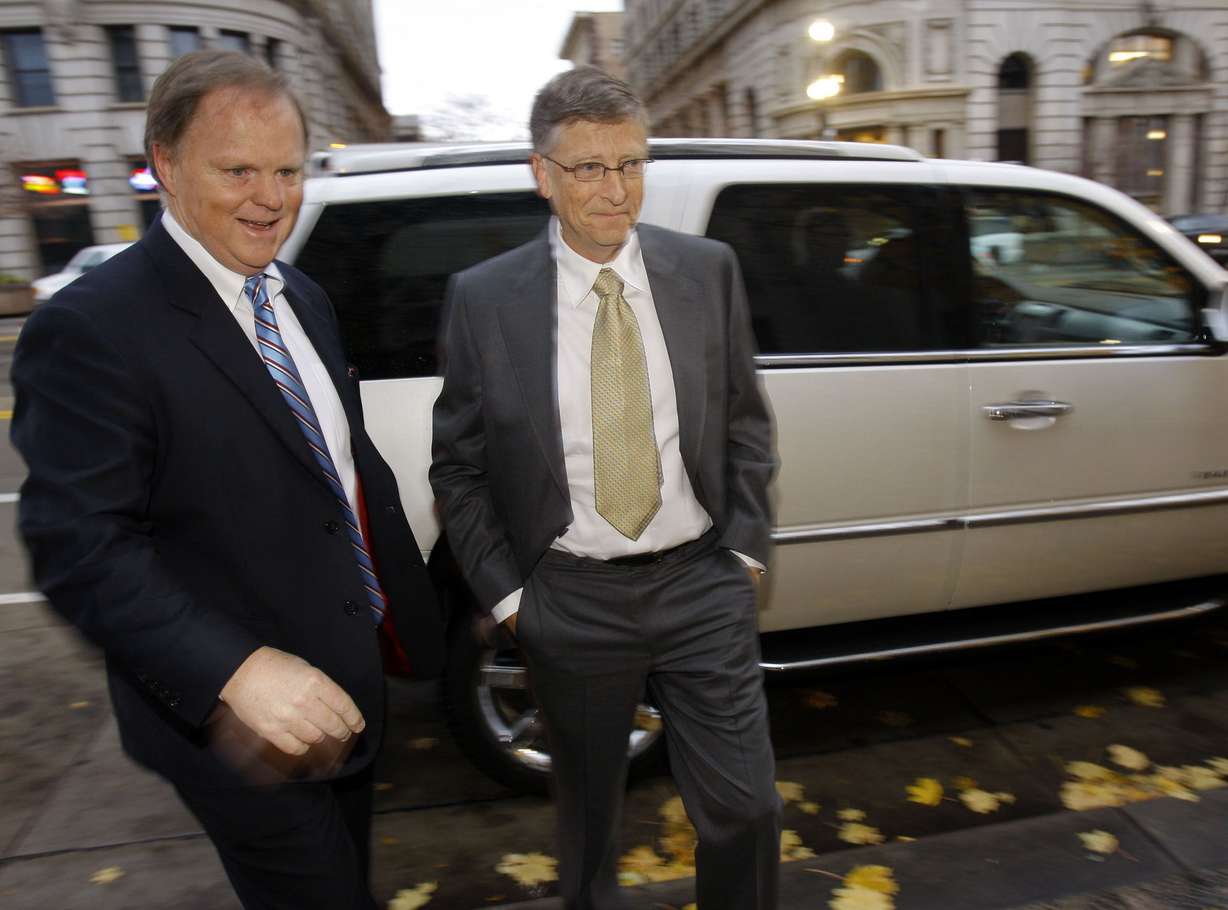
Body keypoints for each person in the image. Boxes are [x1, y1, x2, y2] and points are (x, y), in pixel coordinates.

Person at [10, 50, 444, 910]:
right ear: (165, 165)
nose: (271, 196)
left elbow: (333, 469)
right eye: (238, 169)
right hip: (233, 723)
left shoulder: (302, 296)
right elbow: (80, 547)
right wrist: (235, 672)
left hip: (343, 695)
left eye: (286, 170)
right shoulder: (91, 327)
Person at [430, 66, 781, 910]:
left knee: (748, 808)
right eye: (588, 167)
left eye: (630, 163)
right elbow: (458, 465)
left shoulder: (708, 270)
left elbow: (745, 423)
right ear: (541, 174)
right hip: (570, 599)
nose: (614, 189)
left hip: (700, 582)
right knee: (588, 820)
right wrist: (513, 603)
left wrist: (744, 555)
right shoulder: (484, 300)